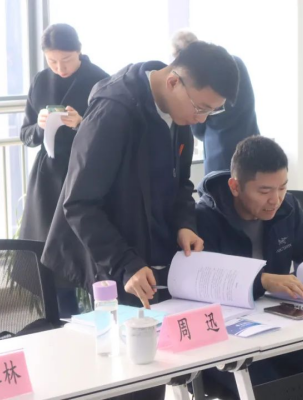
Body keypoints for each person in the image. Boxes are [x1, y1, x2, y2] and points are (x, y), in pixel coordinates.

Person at [41, 40, 239, 308]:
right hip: (111, 262)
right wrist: (125, 263)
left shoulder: (179, 112)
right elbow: (79, 204)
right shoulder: (113, 112)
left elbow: (181, 182)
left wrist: (185, 224)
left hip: (154, 258)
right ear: (173, 82)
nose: (202, 119)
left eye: (211, 111)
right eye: (201, 107)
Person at [195, 136, 303, 396]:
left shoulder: (287, 208)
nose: (275, 199)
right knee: (272, 388)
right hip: (225, 340)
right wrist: (261, 280)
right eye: (264, 191)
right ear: (235, 187)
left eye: (282, 187)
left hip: (278, 327)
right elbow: (204, 282)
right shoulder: (205, 218)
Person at [19, 23, 108, 317]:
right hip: (47, 179)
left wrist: (83, 124)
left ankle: (97, 318)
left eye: (66, 60)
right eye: (52, 61)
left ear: (79, 51)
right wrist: (39, 125)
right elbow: (26, 135)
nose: (60, 68)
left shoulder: (100, 80)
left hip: (85, 176)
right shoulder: (41, 80)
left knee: (87, 255)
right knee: (49, 257)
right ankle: (60, 321)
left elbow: (114, 136)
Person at [172, 30, 259, 175]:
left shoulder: (198, 78)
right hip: (252, 145)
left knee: (219, 188)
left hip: (219, 151)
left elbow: (197, 126)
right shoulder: (234, 63)